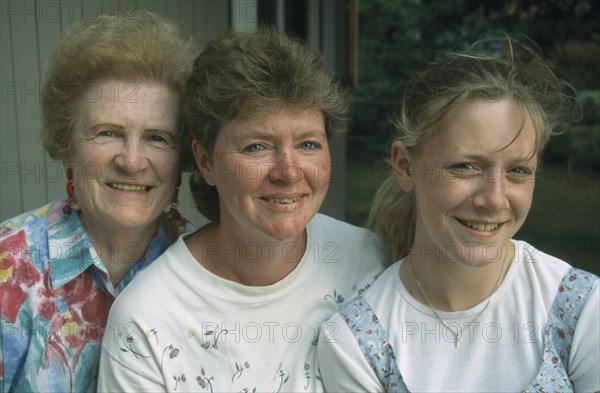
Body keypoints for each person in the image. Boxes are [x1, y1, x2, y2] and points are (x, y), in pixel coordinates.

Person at [96, 27, 389, 392]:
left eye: (308, 144)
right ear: (206, 161)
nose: (289, 171)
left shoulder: (371, 262)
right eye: (256, 147)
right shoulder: (145, 321)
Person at [317, 33, 599, 392]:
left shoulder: (579, 310)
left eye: (518, 171)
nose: (495, 199)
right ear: (405, 167)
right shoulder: (358, 341)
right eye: (465, 167)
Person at [0, 10, 198, 392]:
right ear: (66, 143)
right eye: (108, 132)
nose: (132, 161)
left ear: (184, 158)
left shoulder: (205, 268)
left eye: (158, 138)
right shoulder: (9, 268)